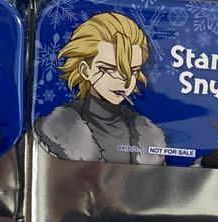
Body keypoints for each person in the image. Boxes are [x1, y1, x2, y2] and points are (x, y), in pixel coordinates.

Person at [35, 10, 166, 164]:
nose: (123, 80)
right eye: (109, 69)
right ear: (85, 70)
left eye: (133, 71)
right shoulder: (55, 131)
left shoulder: (149, 136)